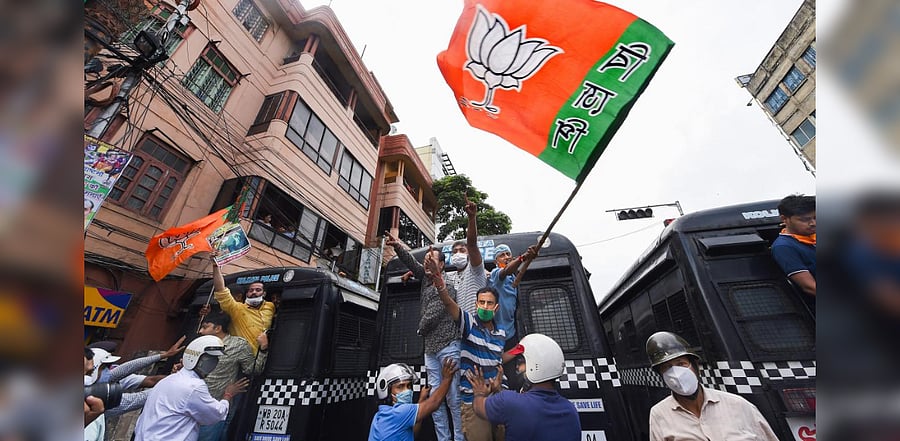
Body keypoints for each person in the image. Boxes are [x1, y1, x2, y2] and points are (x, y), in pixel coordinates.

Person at [385, 230, 463, 441]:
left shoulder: (448, 286)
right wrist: (397, 246)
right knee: (435, 400)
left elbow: (433, 315)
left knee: (453, 397)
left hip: (448, 346)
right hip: (430, 349)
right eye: (426, 260)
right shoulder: (425, 278)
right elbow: (412, 262)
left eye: (431, 260)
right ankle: (444, 438)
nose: (427, 263)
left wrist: (419, 329)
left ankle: (459, 438)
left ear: (442, 265)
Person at [427, 254, 506, 441]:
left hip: (498, 399)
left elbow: (497, 359)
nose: (485, 306)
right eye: (482, 302)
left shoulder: (501, 333)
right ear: (476, 304)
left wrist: (498, 383)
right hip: (472, 403)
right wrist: (438, 278)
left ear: (496, 308)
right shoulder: (468, 324)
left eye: (489, 303)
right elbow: (447, 302)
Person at [645, 331, 778, 441]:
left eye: (681, 364)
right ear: (661, 375)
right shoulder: (659, 414)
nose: (676, 373)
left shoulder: (739, 405)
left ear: (696, 367)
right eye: (667, 368)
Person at [134, 335, 249, 441]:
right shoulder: (194, 387)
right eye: (211, 360)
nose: (214, 364)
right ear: (196, 359)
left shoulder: (169, 380)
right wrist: (228, 395)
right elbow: (216, 414)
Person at [467, 334, 581, 441]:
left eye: (521, 362)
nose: (517, 367)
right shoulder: (570, 411)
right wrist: (498, 391)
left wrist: (479, 393)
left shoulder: (510, 402)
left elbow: (479, 407)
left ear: (535, 366)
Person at [196, 311, 269, 441]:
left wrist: (263, 349)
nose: (200, 331)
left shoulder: (238, 345)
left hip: (216, 406)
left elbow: (253, 370)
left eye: (205, 327)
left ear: (218, 328)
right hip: (193, 405)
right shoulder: (198, 345)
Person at [369, 359, 459, 441]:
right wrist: (447, 379)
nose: (407, 391)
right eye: (400, 386)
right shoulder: (399, 412)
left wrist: (422, 399)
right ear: (387, 391)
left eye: (409, 386)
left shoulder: (379, 416)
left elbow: (412, 435)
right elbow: (434, 402)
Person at [204, 256, 275, 354]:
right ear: (246, 294)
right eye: (251, 290)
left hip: (262, 358)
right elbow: (221, 290)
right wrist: (216, 266)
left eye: (258, 290)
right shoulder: (236, 309)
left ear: (264, 294)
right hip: (238, 358)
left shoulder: (270, 307)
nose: (254, 292)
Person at [489, 244, 538, 346]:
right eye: (502, 255)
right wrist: (523, 257)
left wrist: (529, 256)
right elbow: (506, 270)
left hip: (512, 334)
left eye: (508, 254)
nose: (506, 257)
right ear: (496, 261)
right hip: (496, 335)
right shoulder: (495, 274)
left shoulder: (513, 277)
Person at [771, 195, 816, 301]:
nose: (813, 223)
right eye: (805, 220)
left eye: (816, 217)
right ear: (784, 219)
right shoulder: (784, 247)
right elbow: (809, 287)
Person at [449, 198, 487, 315]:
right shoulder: (449, 277)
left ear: (468, 254)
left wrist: (471, 218)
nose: (458, 254)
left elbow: (471, 244)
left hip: (476, 326)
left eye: (462, 250)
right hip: (459, 329)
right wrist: (410, 273)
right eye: (455, 252)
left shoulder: (476, 270)